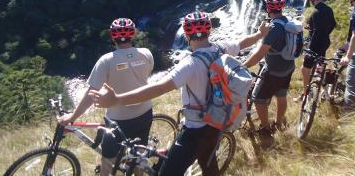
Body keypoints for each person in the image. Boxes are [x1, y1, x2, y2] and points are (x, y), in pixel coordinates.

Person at [90, 11, 269, 176]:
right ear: (209, 31)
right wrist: (260, 34)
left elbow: (159, 88)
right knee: (208, 160)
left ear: (186, 34)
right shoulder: (221, 48)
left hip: (195, 130)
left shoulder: (190, 64)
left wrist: (117, 99)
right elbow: (242, 42)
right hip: (216, 121)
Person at [58, 18, 154, 176]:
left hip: (118, 120)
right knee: (137, 154)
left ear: (112, 36)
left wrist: (72, 116)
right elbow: (144, 76)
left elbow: (91, 94)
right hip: (145, 113)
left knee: (107, 163)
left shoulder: (106, 60)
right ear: (134, 34)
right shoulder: (146, 54)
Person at [242, 0, 295, 147]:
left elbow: (259, 54)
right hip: (289, 66)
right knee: (281, 94)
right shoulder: (287, 22)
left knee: (258, 99)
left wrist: (243, 66)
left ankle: (265, 129)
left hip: (273, 70)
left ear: (268, 8)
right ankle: (278, 123)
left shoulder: (273, 28)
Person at [294, 0, 336, 102]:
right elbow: (332, 24)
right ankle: (323, 91)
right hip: (325, 42)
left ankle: (306, 93)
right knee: (320, 67)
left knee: (305, 69)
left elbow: (316, 31)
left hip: (315, 44)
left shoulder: (315, 13)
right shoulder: (329, 9)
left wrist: (310, 47)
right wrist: (325, 33)